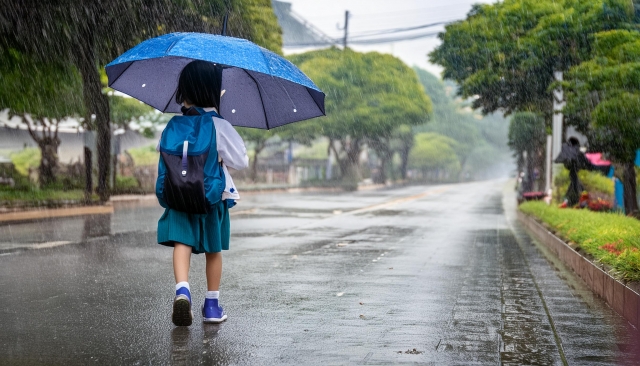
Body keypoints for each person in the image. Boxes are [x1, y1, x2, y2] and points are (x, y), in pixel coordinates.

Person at [156, 60, 249, 326]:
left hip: (178, 197)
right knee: (213, 249)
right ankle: (211, 306)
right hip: (210, 197)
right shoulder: (220, 125)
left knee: (182, 242)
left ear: (183, 91)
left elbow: (165, 157)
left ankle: (182, 290)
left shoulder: (173, 125)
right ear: (214, 91)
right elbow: (241, 161)